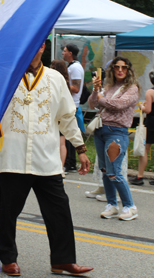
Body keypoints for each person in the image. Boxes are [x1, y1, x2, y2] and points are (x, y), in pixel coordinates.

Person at [0, 43, 93, 277]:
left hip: (46, 157)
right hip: (13, 155)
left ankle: (63, 260)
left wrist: (80, 148)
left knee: (59, 210)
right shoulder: (5, 75)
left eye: (38, 43)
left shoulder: (55, 78)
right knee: (9, 211)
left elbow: (67, 116)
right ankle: (7, 258)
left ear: (43, 47)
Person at [88, 57, 139, 221]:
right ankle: (112, 205)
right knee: (105, 170)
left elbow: (118, 105)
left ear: (129, 70)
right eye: (116, 67)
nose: (120, 70)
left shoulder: (132, 88)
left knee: (114, 172)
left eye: (124, 67)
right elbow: (91, 104)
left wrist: (100, 98)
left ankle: (130, 206)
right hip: (101, 131)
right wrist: (96, 90)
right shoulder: (109, 87)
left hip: (117, 132)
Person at [130, 72, 154, 186]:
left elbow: (148, 110)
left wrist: (142, 106)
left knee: (145, 150)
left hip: (152, 123)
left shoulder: (150, 92)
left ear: (152, 81)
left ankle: (140, 176)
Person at [62, 43, 84, 172]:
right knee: (68, 134)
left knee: (69, 134)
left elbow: (75, 88)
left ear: (70, 53)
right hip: (71, 103)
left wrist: (61, 84)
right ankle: (70, 162)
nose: (63, 53)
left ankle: (70, 163)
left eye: (65, 51)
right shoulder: (73, 66)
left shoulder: (75, 67)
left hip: (72, 104)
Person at [50, 59, 70, 169]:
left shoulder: (54, 80)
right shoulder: (66, 81)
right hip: (62, 114)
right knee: (62, 143)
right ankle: (61, 167)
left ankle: (58, 166)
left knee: (59, 142)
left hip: (55, 114)